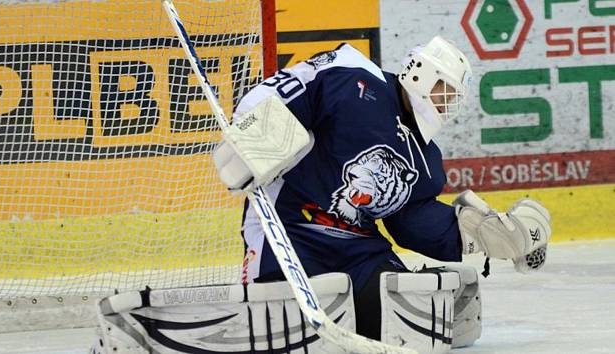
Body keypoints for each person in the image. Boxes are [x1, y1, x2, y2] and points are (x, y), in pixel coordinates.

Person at [213, 36, 552, 344]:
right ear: (419, 73)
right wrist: (256, 131)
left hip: (359, 250)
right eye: (444, 91)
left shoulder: (424, 156)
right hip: (289, 233)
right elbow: (286, 88)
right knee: (282, 332)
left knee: (402, 323)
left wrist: (474, 231)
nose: (446, 104)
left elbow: (410, 220)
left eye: (453, 99)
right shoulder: (353, 77)